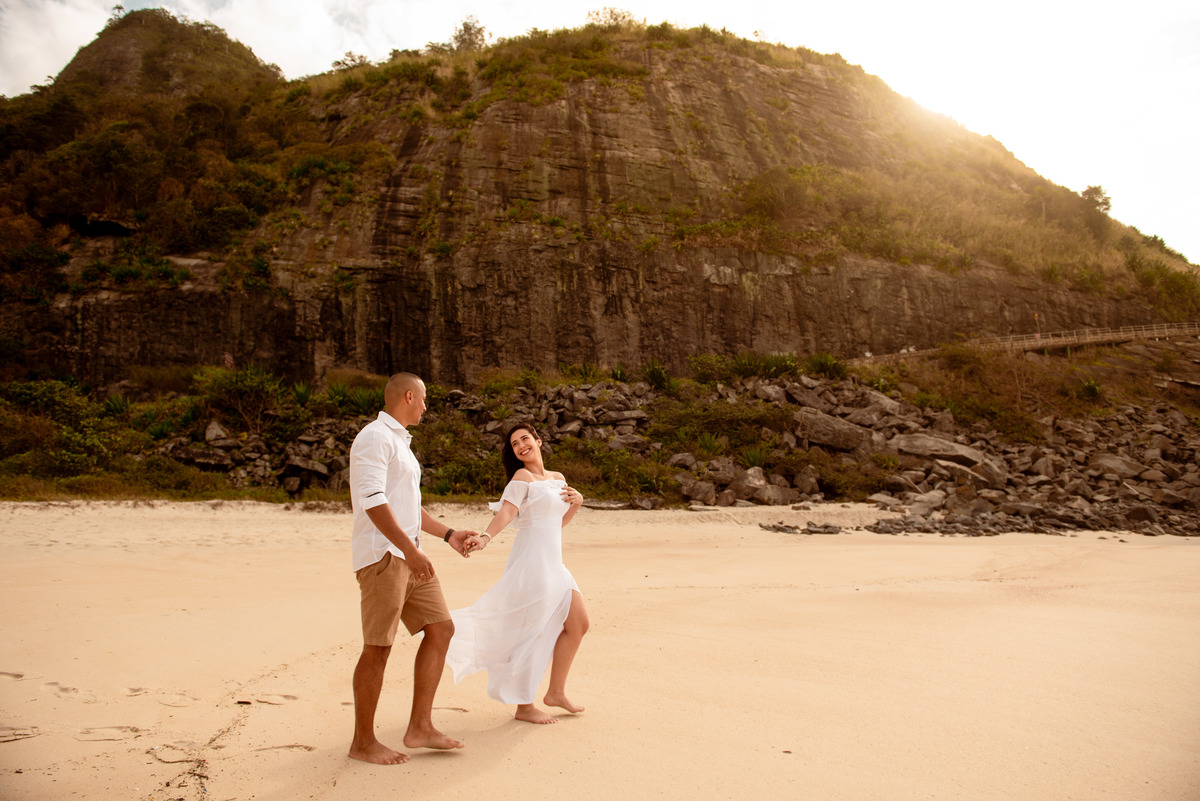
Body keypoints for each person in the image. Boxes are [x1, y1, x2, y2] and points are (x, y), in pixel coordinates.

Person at [348, 372, 480, 765]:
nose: (426, 406)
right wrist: (408, 550)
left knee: (442, 629)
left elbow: (406, 507)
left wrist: (448, 533)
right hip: (385, 557)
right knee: (378, 647)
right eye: (423, 400)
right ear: (409, 396)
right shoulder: (374, 437)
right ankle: (362, 742)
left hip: (410, 554)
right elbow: (373, 501)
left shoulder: (401, 444)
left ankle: (420, 726)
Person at [446, 422, 590, 724]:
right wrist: (485, 537)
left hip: (555, 564)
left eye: (525, 439)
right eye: (515, 444)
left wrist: (577, 503)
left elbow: (557, 523)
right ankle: (524, 706)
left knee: (578, 624)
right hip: (533, 564)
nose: (521, 445)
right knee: (532, 632)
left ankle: (556, 692)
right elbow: (507, 513)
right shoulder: (521, 478)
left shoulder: (558, 478)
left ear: (538, 441)